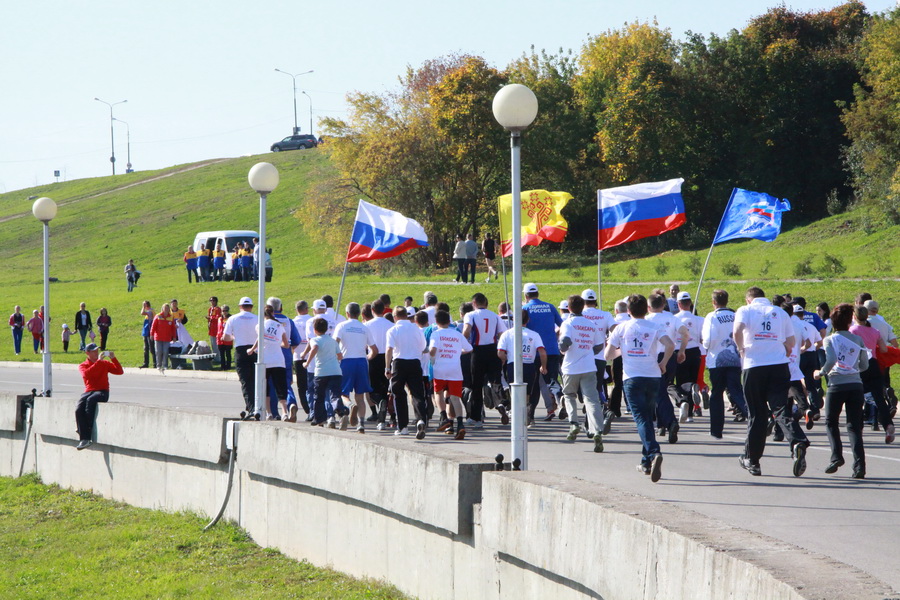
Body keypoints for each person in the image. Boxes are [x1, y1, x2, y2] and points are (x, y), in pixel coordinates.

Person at [734, 287, 808, 477]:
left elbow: (737, 331)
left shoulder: (745, 310)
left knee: (757, 414)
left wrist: (742, 349)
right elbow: (791, 342)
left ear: (748, 299)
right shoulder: (781, 312)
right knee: (780, 408)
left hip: (754, 365)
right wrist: (781, 347)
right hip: (778, 366)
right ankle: (797, 440)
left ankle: (753, 460)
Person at [605, 294, 674, 483]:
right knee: (648, 417)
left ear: (628, 311)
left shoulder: (621, 328)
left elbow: (608, 354)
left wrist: (621, 350)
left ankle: (653, 452)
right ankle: (646, 462)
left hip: (632, 378)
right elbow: (670, 344)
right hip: (652, 376)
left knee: (641, 419)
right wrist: (664, 363)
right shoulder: (655, 326)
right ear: (647, 310)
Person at [815, 303, 868, 478]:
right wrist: (853, 370)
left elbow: (830, 360)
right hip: (855, 385)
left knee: (831, 421)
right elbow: (865, 364)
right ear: (848, 322)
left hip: (837, 384)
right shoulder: (857, 340)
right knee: (854, 426)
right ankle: (860, 466)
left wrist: (820, 372)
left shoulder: (830, 339)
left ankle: (836, 456)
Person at [558, 295, 606, 452]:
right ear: (583, 307)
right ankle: (597, 430)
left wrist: (563, 349)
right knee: (591, 399)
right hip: (589, 366)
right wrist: (587, 352)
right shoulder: (590, 324)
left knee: (569, 395)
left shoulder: (568, 323)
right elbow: (599, 345)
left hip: (571, 367)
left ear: (569, 308)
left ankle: (574, 423)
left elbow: (565, 341)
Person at [701, 290, 747, 439]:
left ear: (714, 302)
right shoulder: (735, 315)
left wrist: (705, 345)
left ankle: (716, 429)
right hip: (735, 358)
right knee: (736, 390)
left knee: (717, 393)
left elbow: (707, 339)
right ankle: (754, 416)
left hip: (717, 360)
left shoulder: (712, 316)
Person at [849, 305, 894, 444]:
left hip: (859, 364)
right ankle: (888, 425)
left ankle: (859, 428)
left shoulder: (853, 330)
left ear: (854, 317)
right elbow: (884, 349)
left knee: (857, 396)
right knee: (879, 397)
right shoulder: (874, 331)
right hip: (873, 364)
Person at [462, 293, 507, 428]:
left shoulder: (470, 315)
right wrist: (502, 351)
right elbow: (502, 334)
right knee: (495, 380)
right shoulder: (494, 315)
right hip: (493, 350)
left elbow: (466, 331)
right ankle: (500, 402)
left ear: (474, 303)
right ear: (485, 303)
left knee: (477, 385)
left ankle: (477, 418)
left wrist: (463, 345)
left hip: (478, 351)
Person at [497, 309, 547, 427]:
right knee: (527, 393)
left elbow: (500, 353)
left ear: (514, 319)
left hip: (513, 364)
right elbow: (542, 352)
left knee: (514, 391)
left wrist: (506, 358)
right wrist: (543, 366)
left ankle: (517, 416)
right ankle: (526, 412)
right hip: (529, 364)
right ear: (528, 320)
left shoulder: (507, 333)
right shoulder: (534, 334)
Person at [385, 306, 428, 438]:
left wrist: (387, 368)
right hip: (415, 362)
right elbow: (423, 347)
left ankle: (402, 426)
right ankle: (421, 419)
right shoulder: (416, 328)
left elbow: (389, 349)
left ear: (395, 317)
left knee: (398, 394)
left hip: (399, 363)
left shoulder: (393, 330)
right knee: (417, 393)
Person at [430, 309, 474, 439]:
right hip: (455, 369)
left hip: (440, 368)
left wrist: (432, 357)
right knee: (455, 397)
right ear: (449, 321)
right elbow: (469, 348)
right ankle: (460, 424)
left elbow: (432, 350)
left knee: (438, 392)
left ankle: (444, 417)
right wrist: (457, 352)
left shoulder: (436, 334)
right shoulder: (457, 334)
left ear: (436, 321)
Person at [523, 283, 564, 420]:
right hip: (552, 349)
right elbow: (562, 325)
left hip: (533, 352)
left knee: (533, 385)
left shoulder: (525, 308)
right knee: (552, 380)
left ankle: (530, 416)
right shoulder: (550, 306)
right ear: (538, 294)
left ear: (526, 295)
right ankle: (559, 396)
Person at [334, 302, 376, 433]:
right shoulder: (364, 327)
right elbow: (374, 349)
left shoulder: (341, 326)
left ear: (347, 313)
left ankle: (350, 405)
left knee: (342, 393)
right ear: (359, 314)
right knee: (360, 396)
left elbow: (335, 343)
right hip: (361, 362)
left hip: (346, 362)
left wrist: (336, 357)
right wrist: (367, 358)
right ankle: (361, 424)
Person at [74, 343, 124, 450]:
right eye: (93, 351)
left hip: (102, 391)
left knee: (91, 401)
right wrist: (98, 362)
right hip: (89, 391)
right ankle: (83, 437)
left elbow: (119, 371)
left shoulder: (104, 363)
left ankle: (86, 431)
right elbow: (86, 374)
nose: (96, 353)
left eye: (97, 351)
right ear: (87, 353)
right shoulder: (83, 365)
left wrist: (113, 358)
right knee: (79, 408)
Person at [248, 305, 290, 421]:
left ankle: (269, 413)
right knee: (280, 387)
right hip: (278, 360)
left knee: (265, 388)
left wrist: (252, 349)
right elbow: (286, 345)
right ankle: (285, 412)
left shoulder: (260, 326)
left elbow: (259, 339)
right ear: (273, 313)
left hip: (265, 360)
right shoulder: (279, 325)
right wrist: (277, 344)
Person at [305, 316, 346, 427]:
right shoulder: (333, 341)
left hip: (321, 372)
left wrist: (307, 362)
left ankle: (319, 419)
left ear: (314, 329)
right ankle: (339, 410)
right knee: (335, 394)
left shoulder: (315, 339)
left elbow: (314, 348)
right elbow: (340, 356)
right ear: (327, 329)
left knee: (319, 396)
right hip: (336, 371)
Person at [222, 297, 259, 419]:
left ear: (240, 306)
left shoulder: (233, 318)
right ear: (251, 307)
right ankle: (254, 405)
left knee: (245, 381)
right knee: (255, 380)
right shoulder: (257, 318)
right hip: (254, 350)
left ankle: (252, 407)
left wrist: (233, 337)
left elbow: (226, 337)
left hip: (240, 350)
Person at [366, 299, 394, 429]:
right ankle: (391, 415)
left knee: (372, 389)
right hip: (388, 357)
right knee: (388, 388)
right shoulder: (390, 324)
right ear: (384, 310)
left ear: (372, 311)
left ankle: (380, 403)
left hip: (373, 356)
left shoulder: (367, 325)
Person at [292, 301, 311, 415]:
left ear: (297, 310)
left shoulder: (293, 322)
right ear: (306, 309)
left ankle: (308, 411)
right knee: (312, 385)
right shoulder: (312, 320)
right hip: (311, 356)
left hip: (298, 357)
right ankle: (314, 410)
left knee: (302, 386)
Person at [150, 303, 177, 372]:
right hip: (158, 338)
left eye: (168, 308)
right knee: (159, 352)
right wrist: (152, 334)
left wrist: (174, 337)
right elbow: (153, 326)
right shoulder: (158, 316)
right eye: (165, 308)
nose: (166, 309)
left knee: (165, 352)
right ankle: (158, 365)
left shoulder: (171, 317)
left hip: (167, 338)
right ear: (162, 309)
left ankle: (165, 365)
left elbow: (173, 328)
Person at [139, 301, 156, 368]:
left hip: (149, 332)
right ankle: (146, 363)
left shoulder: (150, 311)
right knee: (145, 348)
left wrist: (143, 307)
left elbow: (142, 313)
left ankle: (155, 363)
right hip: (146, 332)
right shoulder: (149, 311)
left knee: (151, 348)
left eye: (144, 305)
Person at [217, 305, 233, 370]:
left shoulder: (230, 318)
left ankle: (228, 366)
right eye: (223, 310)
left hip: (228, 338)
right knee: (221, 354)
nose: (224, 312)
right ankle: (222, 366)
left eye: (226, 310)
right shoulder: (219, 319)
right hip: (220, 339)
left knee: (228, 353)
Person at [207, 297, 222, 362]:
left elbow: (218, 317)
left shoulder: (218, 309)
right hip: (211, 329)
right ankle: (215, 357)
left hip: (216, 329)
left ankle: (218, 358)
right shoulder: (210, 309)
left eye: (213, 301)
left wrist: (210, 318)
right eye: (211, 301)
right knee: (213, 344)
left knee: (216, 345)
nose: (212, 302)